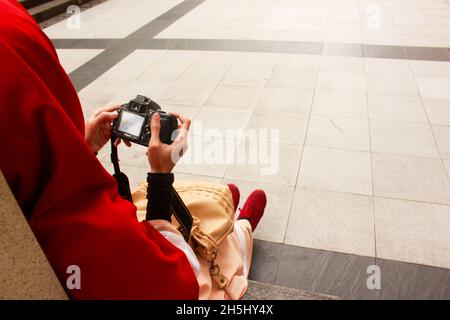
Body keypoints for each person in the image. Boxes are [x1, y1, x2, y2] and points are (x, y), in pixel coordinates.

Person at [0, 0, 266, 299]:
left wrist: (76, 150)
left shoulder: (25, 209)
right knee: (206, 252)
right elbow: (177, 284)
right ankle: (241, 229)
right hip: (169, 277)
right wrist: (161, 177)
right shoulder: (85, 230)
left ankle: (223, 210)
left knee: (170, 207)